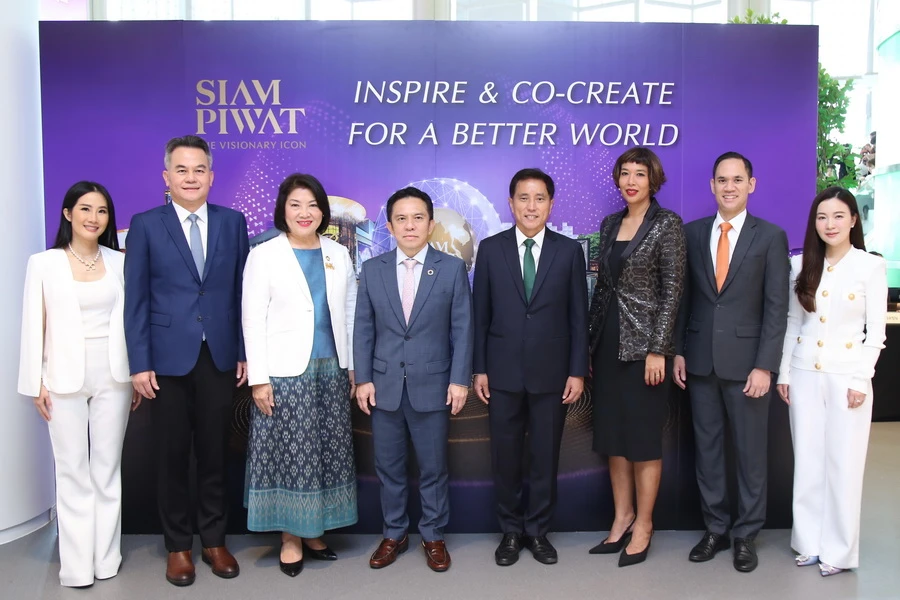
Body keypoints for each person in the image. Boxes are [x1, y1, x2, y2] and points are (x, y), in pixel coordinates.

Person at [124, 135, 249, 586]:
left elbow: (243, 292)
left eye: (199, 170)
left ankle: (214, 540)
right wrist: (139, 362)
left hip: (219, 355)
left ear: (211, 176)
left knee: (216, 453)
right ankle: (178, 546)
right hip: (165, 360)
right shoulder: (145, 224)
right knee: (172, 456)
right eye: (182, 170)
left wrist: (243, 351)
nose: (191, 177)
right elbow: (136, 299)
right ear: (167, 177)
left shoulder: (233, 222)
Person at [674, 152, 789, 573]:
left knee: (750, 455)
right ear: (712, 185)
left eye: (737, 179)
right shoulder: (692, 233)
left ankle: (746, 535)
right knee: (707, 453)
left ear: (751, 185)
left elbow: (776, 308)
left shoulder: (770, 236)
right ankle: (716, 528)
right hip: (700, 362)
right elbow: (684, 299)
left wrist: (765, 365)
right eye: (722, 180)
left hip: (748, 367)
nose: (729, 187)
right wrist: (679, 350)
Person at [18, 181, 135, 587]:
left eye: (102, 211)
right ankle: (77, 566)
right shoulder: (44, 263)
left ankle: (106, 559)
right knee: (72, 471)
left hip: (114, 375)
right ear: (68, 213)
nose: (93, 218)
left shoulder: (119, 262)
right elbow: (34, 324)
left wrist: (135, 373)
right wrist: (36, 382)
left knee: (106, 470)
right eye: (85, 209)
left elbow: (131, 322)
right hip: (62, 376)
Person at [242, 174, 358, 577]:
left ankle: (314, 530)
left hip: (332, 369)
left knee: (325, 452)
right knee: (292, 455)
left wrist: (352, 366)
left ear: (323, 211)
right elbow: (252, 318)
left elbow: (350, 310)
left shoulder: (338, 253)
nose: (304, 213)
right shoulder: (264, 254)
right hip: (285, 373)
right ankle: (290, 536)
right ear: (283, 210)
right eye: (295, 205)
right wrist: (259, 378)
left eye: (312, 205)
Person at [473, 168, 589, 566]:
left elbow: (578, 317)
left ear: (551, 204)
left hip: (552, 374)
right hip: (501, 373)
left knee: (545, 457)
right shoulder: (491, 249)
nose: (531, 206)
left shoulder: (568, 251)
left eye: (540, 198)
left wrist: (577, 370)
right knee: (505, 458)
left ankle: (538, 531)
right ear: (511, 203)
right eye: (523, 198)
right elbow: (480, 315)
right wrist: (480, 368)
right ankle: (510, 531)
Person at [354, 187, 473, 573]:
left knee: (433, 468)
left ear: (430, 224)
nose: (410, 225)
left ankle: (433, 535)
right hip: (384, 386)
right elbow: (363, 328)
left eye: (418, 218)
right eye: (401, 219)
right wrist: (363, 378)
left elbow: (463, 329)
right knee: (388, 467)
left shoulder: (451, 269)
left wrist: (459, 380)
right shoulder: (373, 269)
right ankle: (394, 533)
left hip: (433, 386)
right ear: (389, 226)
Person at [776, 187, 886, 577]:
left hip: (847, 377)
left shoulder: (870, 266)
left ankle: (839, 551)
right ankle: (808, 542)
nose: (830, 224)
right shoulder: (800, 265)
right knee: (807, 460)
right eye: (822, 217)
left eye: (839, 216)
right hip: (805, 373)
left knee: (844, 464)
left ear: (853, 220)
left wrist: (861, 378)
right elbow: (793, 323)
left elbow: (875, 333)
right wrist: (785, 372)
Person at [587, 148, 685, 566]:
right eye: (624, 173)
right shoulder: (610, 224)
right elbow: (602, 288)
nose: (631, 181)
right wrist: (589, 344)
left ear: (653, 180)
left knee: (642, 440)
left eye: (639, 174)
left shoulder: (667, 224)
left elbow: (673, 290)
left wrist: (659, 349)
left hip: (646, 349)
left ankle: (644, 524)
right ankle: (622, 517)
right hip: (607, 344)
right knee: (613, 437)